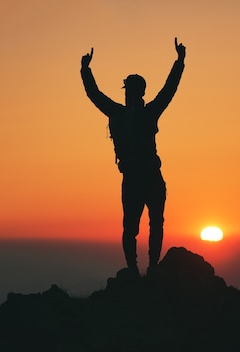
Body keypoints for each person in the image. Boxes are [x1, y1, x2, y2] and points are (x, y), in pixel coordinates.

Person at [80, 38, 186, 274]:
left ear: (136, 92)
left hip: (138, 178)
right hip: (146, 176)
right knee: (145, 225)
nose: (128, 94)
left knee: (138, 226)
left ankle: (142, 269)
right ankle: (143, 269)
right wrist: (85, 70)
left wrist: (85, 70)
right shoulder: (146, 113)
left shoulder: (121, 113)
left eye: (129, 90)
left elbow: (94, 95)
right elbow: (169, 90)